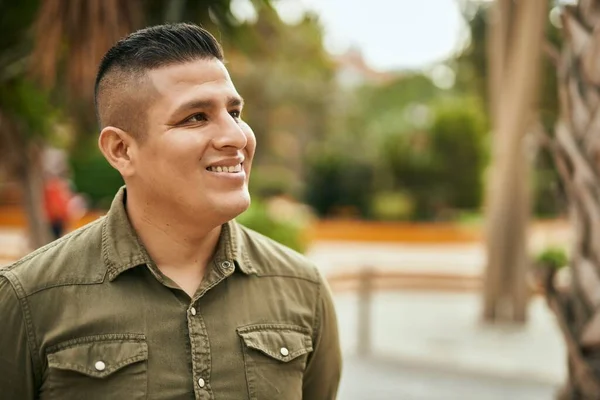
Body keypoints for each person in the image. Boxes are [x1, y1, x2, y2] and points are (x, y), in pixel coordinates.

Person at [0, 23, 342, 399]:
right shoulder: (27, 299)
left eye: (235, 111)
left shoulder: (303, 289)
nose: (236, 137)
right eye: (196, 117)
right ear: (121, 150)